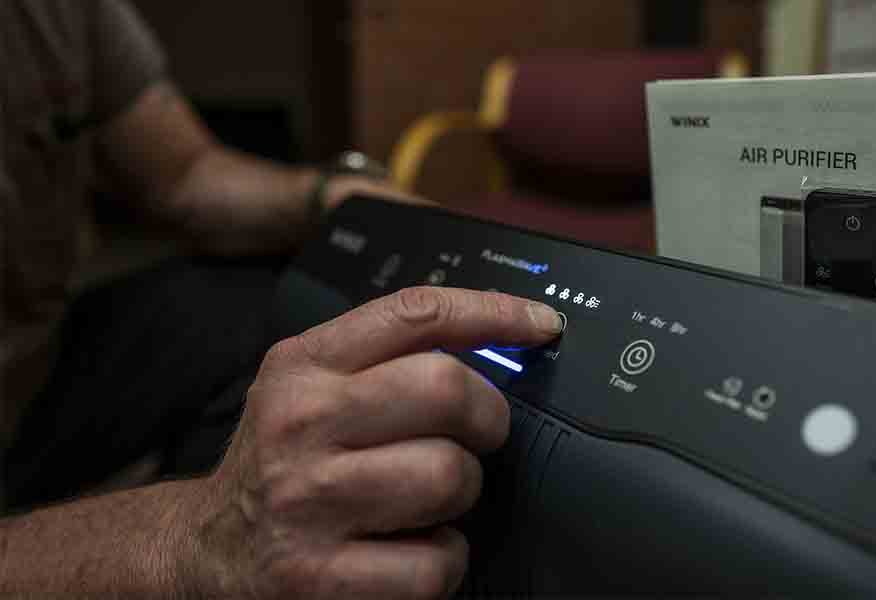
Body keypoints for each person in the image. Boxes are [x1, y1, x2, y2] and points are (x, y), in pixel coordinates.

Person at [0, 1, 564, 596]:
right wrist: (188, 541)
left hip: (38, 363)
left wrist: (337, 196)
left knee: (262, 309)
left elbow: (184, 176)